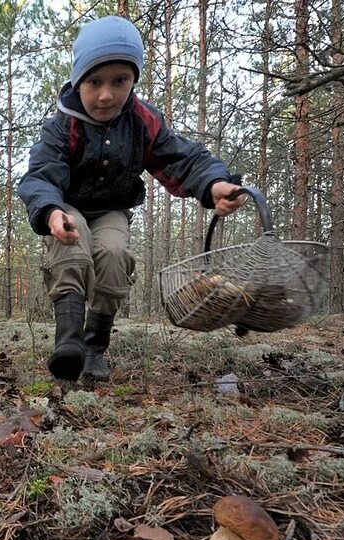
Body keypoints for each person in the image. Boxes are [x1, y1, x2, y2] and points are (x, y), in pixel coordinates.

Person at [18, 15, 246, 382]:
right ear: (79, 81)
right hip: (67, 205)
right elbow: (42, 173)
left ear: (133, 80)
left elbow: (182, 159)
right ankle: (69, 344)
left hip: (111, 210)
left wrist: (214, 184)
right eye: (95, 82)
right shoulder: (63, 123)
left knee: (113, 257)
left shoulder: (143, 121)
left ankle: (94, 348)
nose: (106, 94)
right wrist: (50, 212)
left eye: (119, 81)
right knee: (73, 251)